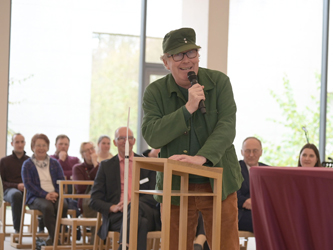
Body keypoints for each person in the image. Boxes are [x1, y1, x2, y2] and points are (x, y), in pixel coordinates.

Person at [141, 27, 243, 250]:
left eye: (191, 53)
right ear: (166, 62)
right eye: (177, 55)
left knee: (226, 245)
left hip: (219, 180)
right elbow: (152, 135)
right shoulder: (155, 93)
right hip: (176, 184)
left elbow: (227, 127)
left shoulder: (220, 82)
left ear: (198, 56)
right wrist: (187, 108)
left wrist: (203, 158)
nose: (186, 60)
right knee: (174, 245)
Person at [90, 127, 160, 250]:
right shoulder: (106, 166)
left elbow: (154, 196)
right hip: (118, 215)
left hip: (147, 212)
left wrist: (131, 204)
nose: (125, 141)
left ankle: (124, 246)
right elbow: (94, 200)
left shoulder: (147, 163)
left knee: (134, 207)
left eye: (129, 138)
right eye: (121, 138)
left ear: (134, 141)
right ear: (115, 142)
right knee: (140, 223)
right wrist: (113, 207)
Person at [142, 148, 209, 250]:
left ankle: (199, 242)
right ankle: (198, 243)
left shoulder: (178, 158)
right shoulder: (145, 162)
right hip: (159, 205)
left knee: (198, 209)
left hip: (178, 197)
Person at [21, 133, 68, 245]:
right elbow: (28, 184)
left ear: (48, 147)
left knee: (64, 205)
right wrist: (45, 195)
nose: (41, 148)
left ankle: (56, 237)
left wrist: (56, 193)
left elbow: (61, 180)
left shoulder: (55, 163)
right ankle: (55, 238)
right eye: (38, 145)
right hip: (36, 197)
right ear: (33, 147)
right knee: (47, 206)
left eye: (44, 145)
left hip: (54, 195)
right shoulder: (27, 165)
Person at [0, 133, 29, 233]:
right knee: (16, 194)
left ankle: (41, 229)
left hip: (27, 190)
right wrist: (16, 186)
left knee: (42, 195)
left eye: (22, 142)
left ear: (25, 143)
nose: (20, 145)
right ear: (12, 143)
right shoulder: (4, 161)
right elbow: (1, 182)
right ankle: (18, 230)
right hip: (9, 191)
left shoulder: (30, 161)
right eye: (17, 142)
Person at [237, 137, 268, 233]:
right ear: (242, 152)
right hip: (242, 213)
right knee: (264, 223)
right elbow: (233, 194)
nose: (251, 155)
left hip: (264, 212)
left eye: (255, 151)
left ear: (261, 152)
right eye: (247, 151)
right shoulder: (235, 170)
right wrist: (245, 201)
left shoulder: (268, 171)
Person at [72, 141, 99, 215]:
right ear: (82, 154)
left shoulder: (101, 166)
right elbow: (81, 187)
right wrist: (95, 166)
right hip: (85, 198)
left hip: (101, 197)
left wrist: (95, 164)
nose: (90, 152)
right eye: (87, 150)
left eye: (92, 149)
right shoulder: (78, 168)